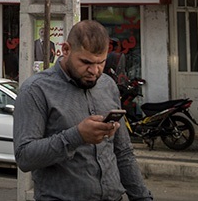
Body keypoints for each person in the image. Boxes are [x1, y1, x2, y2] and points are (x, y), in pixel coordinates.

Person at [14, 20, 153, 201]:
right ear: (66, 50)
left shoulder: (108, 85)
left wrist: (142, 197)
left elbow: (123, 152)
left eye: (101, 62)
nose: (94, 71)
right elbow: (25, 157)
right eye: (86, 62)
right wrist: (77, 136)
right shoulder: (36, 90)